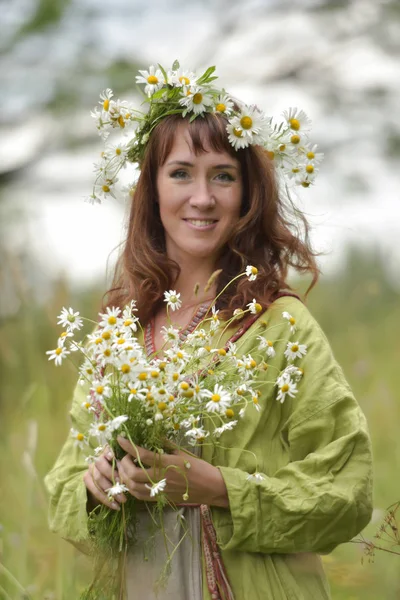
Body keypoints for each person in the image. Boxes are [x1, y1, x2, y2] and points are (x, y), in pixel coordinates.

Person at [44, 63, 373, 600]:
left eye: (223, 174)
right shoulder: (118, 333)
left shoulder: (281, 326)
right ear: (151, 189)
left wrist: (220, 489)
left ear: (247, 195)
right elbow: (62, 483)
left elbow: (347, 491)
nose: (202, 197)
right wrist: (94, 485)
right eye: (180, 173)